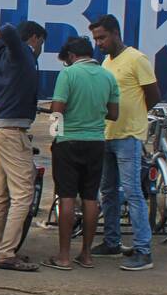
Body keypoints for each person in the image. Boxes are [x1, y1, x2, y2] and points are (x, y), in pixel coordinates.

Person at [0, 19, 47, 271]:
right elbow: (11, 30)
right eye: (41, 43)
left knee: (2, 192)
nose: (40, 49)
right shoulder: (21, 54)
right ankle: (6, 252)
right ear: (34, 38)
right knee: (24, 193)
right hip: (12, 130)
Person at [88, 14, 160, 271]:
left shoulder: (137, 59)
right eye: (95, 39)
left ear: (116, 33)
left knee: (132, 193)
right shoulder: (106, 63)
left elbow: (153, 95)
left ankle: (143, 250)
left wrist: (136, 117)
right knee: (108, 192)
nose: (99, 43)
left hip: (128, 136)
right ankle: (112, 242)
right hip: (106, 135)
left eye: (102, 37)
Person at [42, 36, 119, 270]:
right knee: (90, 198)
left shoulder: (68, 74)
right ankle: (86, 255)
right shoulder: (108, 76)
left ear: (72, 56)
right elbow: (113, 114)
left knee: (66, 196)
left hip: (69, 142)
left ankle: (63, 256)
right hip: (96, 142)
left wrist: (55, 134)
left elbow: (57, 110)